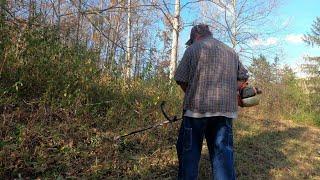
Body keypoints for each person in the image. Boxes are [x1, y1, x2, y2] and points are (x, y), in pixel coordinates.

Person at [174, 24, 249, 180]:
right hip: (224, 111)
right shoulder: (231, 51)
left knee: (189, 157)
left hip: (196, 111)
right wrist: (229, 91)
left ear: (195, 36)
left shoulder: (192, 49)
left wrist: (192, 91)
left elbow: (180, 78)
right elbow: (243, 77)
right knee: (223, 159)